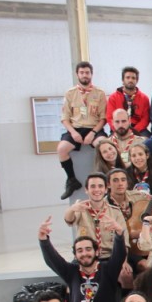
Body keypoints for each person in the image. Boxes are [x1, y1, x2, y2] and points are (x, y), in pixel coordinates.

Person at [39, 214, 125, 302]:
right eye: (80, 251)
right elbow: (53, 260)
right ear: (75, 255)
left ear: (97, 252)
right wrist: (43, 240)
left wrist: (119, 234)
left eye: (88, 249)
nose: (84, 253)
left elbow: (119, 255)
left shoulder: (108, 269)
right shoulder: (71, 272)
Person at [58, 61, 107, 199]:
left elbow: (104, 118)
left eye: (87, 72)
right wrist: (73, 132)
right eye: (82, 73)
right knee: (62, 149)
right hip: (76, 128)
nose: (85, 75)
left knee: (104, 145)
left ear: (91, 74)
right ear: (77, 74)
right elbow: (64, 118)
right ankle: (71, 180)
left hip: (94, 128)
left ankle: (105, 179)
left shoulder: (100, 93)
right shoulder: (70, 93)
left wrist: (93, 133)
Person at [106, 65, 151, 136]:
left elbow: (145, 119)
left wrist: (134, 131)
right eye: (127, 77)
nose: (130, 80)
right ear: (123, 80)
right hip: (118, 128)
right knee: (109, 145)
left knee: (148, 143)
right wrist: (120, 129)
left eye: (133, 78)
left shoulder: (144, 98)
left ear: (137, 80)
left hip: (138, 129)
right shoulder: (113, 97)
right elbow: (110, 118)